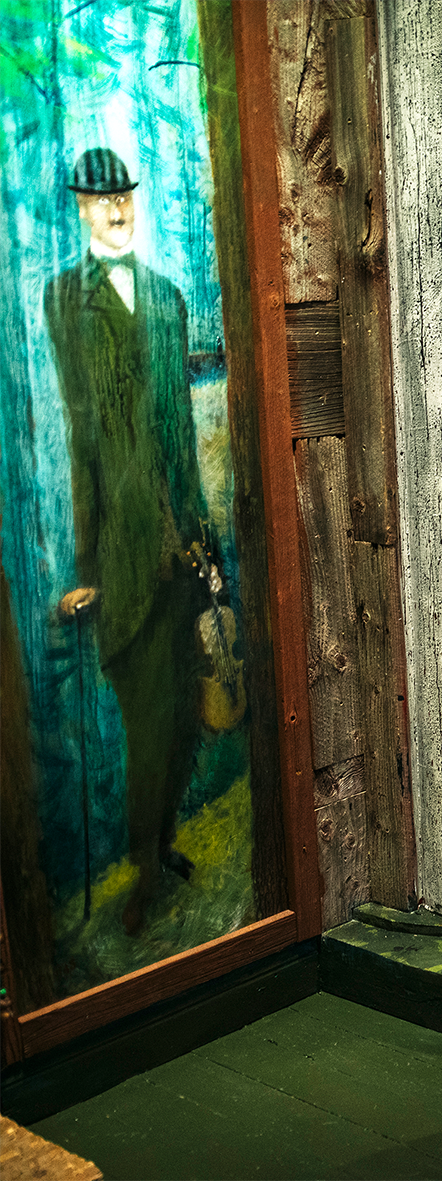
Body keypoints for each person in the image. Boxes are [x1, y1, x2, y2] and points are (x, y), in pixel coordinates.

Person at [45, 147, 208, 936]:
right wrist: (86, 568)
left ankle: (162, 842)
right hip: (123, 555)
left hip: (179, 550)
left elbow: (177, 435)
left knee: (180, 720)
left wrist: (201, 532)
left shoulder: (170, 299)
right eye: (98, 201)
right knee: (147, 726)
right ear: (80, 207)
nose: (114, 211)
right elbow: (83, 441)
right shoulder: (61, 301)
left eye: (124, 200)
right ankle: (144, 870)